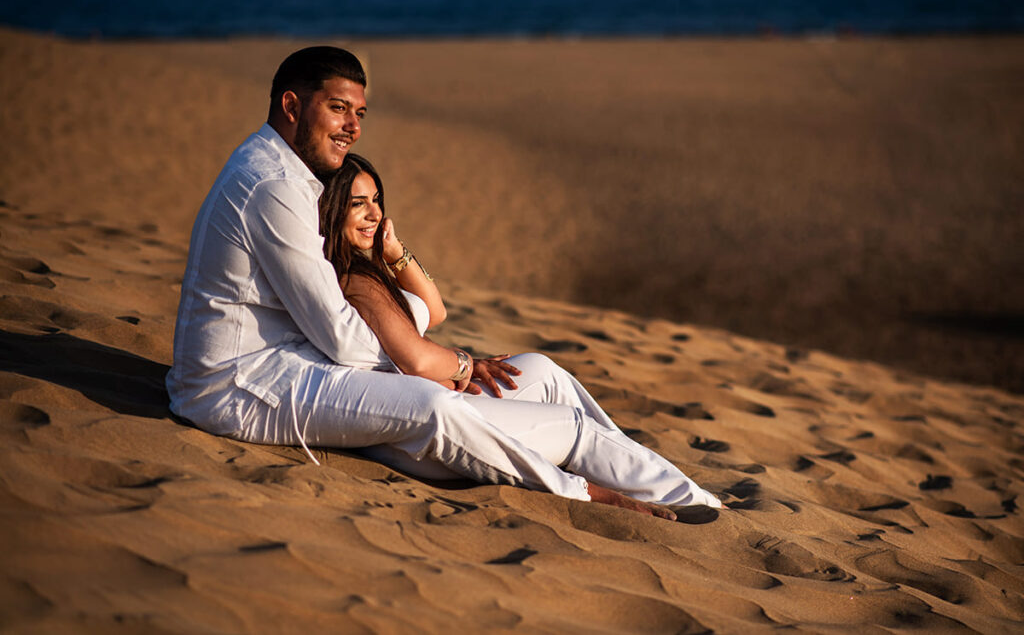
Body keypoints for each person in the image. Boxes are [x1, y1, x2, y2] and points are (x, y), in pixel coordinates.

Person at [167, 45, 720, 520]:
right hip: (239, 385)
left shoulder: (295, 178)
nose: (353, 127)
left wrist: (430, 353)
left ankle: (687, 496)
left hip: (301, 365)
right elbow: (340, 337)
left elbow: (415, 310)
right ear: (292, 105)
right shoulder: (272, 185)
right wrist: (437, 368)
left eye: (359, 112)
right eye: (338, 109)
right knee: (435, 407)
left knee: (543, 374)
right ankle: (581, 491)